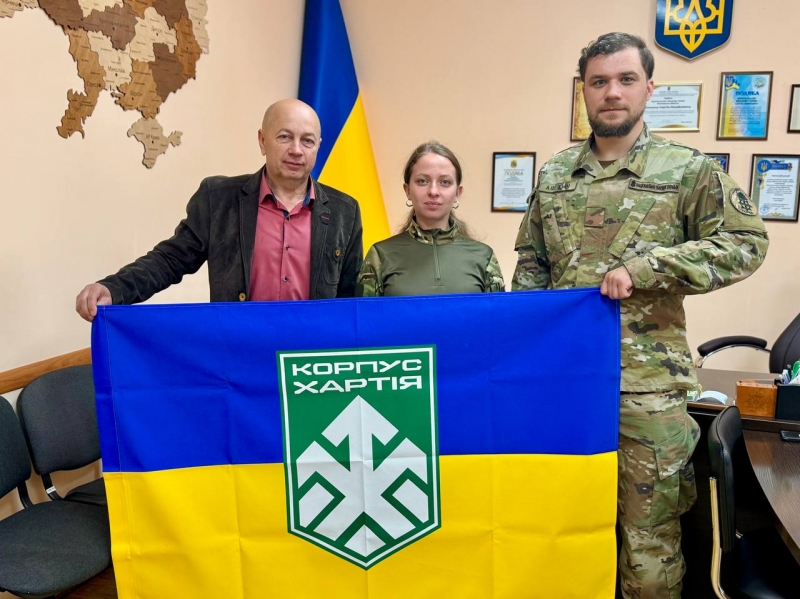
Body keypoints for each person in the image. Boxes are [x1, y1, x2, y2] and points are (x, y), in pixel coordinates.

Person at [512, 33, 768, 598]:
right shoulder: (555, 174)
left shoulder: (687, 170)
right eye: (599, 81)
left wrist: (651, 266)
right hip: (564, 384)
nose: (612, 92)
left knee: (649, 548)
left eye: (626, 80)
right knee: (563, 530)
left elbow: (746, 243)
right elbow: (531, 264)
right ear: (583, 91)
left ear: (649, 89)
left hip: (646, 390)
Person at [75, 99, 363, 321]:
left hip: (309, 361)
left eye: (307, 141)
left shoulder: (344, 212)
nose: (297, 150)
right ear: (262, 140)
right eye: (285, 137)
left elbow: (352, 301)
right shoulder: (219, 199)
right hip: (236, 354)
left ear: (318, 147)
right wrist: (115, 289)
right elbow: (169, 260)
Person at [357, 141, 504, 296]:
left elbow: (499, 312)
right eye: (422, 181)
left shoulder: (484, 257)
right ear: (407, 190)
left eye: (445, 182)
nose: (433, 191)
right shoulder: (380, 256)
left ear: (457, 192)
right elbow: (364, 312)